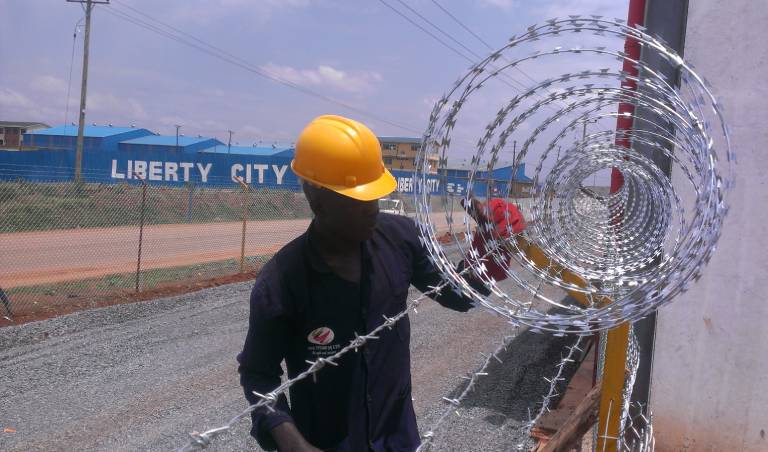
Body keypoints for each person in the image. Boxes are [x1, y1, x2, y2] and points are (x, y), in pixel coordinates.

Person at [237, 115, 490, 452]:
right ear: (315, 195)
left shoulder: (401, 239)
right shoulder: (282, 281)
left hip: (398, 439)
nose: (372, 208)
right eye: (357, 198)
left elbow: (458, 296)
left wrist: (492, 247)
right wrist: (293, 444)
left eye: (374, 194)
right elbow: (258, 375)